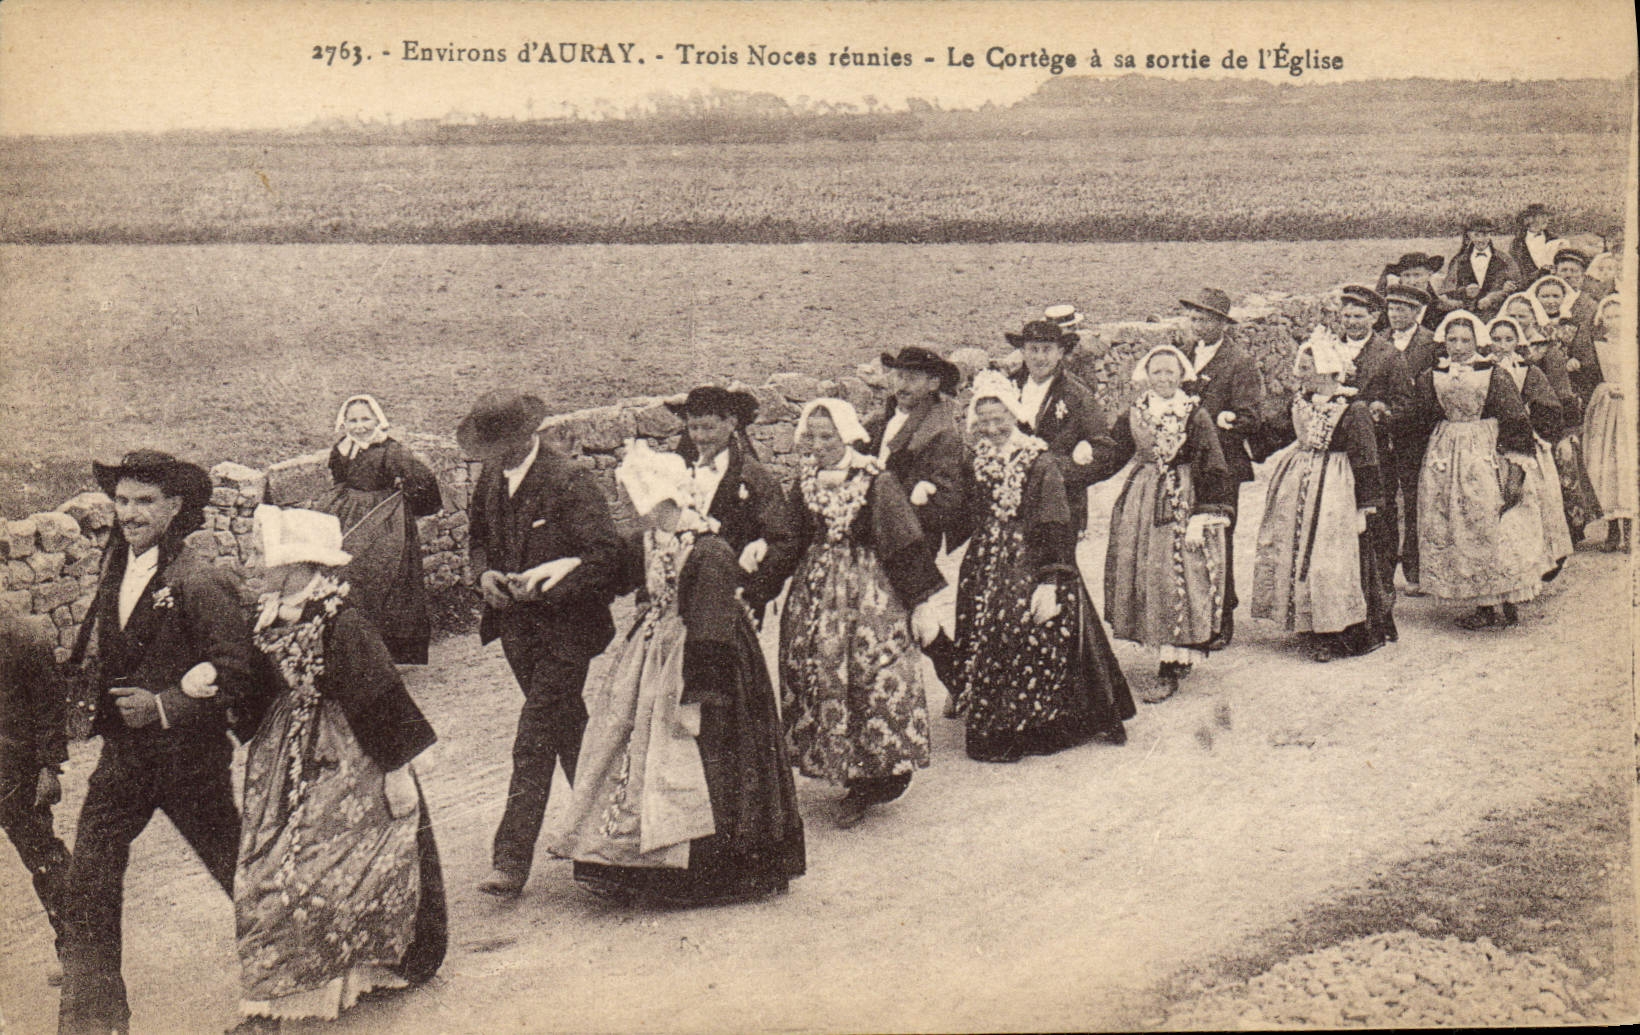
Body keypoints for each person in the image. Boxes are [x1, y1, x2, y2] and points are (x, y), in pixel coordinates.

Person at [58, 451, 267, 1035]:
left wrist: (166, 704)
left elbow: (238, 669)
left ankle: (293, 981)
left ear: (176, 508)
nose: (129, 514)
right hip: (123, 759)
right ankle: (93, 1020)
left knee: (238, 871)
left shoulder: (200, 577)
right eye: (122, 501)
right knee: (90, 880)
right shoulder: (116, 564)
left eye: (144, 501)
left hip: (188, 760)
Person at [546, 441, 805, 905]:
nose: (623, 505)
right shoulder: (650, 541)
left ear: (655, 497)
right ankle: (636, 859)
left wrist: (698, 695)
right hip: (653, 657)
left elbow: (710, 628)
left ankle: (707, 869)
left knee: (699, 759)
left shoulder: (709, 551)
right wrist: (566, 567)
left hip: (705, 666)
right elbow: (608, 572)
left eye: (629, 496)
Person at [232, 506, 444, 1030]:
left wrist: (398, 769)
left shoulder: (341, 620)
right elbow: (259, 686)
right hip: (287, 752)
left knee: (347, 862)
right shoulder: (270, 613)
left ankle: (356, 965)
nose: (257, 563)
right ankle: (289, 983)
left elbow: (377, 692)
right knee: (273, 863)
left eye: (267, 555)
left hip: (352, 749)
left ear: (297, 563)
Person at [460, 391, 626, 899]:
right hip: (517, 631)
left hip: (569, 630)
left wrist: (549, 583)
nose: (495, 456)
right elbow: (479, 540)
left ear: (527, 436)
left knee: (533, 737)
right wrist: (484, 575)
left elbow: (607, 559)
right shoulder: (491, 478)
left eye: (503, 445)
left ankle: (510, 860)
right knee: (567, 730)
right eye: (488, 447)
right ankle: (610, 843)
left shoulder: (569, 481)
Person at [777, 399, 945, 828]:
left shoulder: (876, 481)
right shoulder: (806, 480)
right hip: (814, 593)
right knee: (819, 673)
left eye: (826, 436)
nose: (817, 445)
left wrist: (921, 601)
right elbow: (789, 538)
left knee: (870, 676)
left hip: (869, 593)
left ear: (847, 435)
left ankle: (876, 775)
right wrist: (759, 584)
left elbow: (904, 541)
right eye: (810, 437)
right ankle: (839, 764)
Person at [948, 371, 1131, 761]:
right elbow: (962, 509)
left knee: (1024, 627)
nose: (993, 428)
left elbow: (1054, 519)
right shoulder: (974, 458)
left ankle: (1036, 721)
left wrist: (1050, 578)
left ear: (1014, 416)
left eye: (1000, 419)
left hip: (1033, 556)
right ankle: (986, 704)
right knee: (983, 625)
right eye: (984, 421)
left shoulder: (1038, 460)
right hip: (986, 560)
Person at [1088, 346, 1234, 702]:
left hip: (1182, 497)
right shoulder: (1135, 413)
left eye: (1170, 373)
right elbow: (1114, 453)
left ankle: (1173, 662)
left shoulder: (1194, 414)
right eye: (1157, 373)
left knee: (1176, 576)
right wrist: (1077, 470)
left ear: (1181, 375)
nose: (1164, 379)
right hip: (1141, 497)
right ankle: (1164, 648)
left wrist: (1205, 513)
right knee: (1148, 575)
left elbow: (1213, 462)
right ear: (1147, 376)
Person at [1250, 328, 1394, 662]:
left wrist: (1366, 507)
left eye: (1304, 368)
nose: (1298, 373)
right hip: (1296, 482)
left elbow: (1366, 458)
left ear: (1326, 369)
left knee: (1329, 559)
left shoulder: (1353, 409)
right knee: (1296, 549)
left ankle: (1336, 631)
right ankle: (1308, 621)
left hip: (1335, 489)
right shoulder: (1299, 403)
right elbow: (1274, 434)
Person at [1407, 313, 1543, 629]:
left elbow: (1515, 418)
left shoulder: (1492, 373)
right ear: (1444, 341)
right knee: (1459, 524)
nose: (1458, 346)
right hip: (1445, 453)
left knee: (1489, 521)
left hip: (1484, 450)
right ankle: (1482, 603)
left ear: (1477, 341)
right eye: (1452, 340)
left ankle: (1503, 597)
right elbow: (1420, 418)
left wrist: (1515, 462)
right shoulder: (1432, 375)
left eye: (1465, 340)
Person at [866, 347, 967, 695]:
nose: (902, 383)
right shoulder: (880, 422)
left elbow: (949, 499)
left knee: (912, 607)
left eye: (912, 377)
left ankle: (957, 679)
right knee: (899, 607)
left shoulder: (941, 432)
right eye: (898, 375)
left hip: (913, 535)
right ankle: (956, 679)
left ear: (933, 382)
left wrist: (912, 499)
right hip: (875, 531)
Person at [320, 395, 443, 665]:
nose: (360, 426)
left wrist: (412, 504)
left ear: (377, 420)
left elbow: (422, 478)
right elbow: (339, 479)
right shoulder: (342, 448)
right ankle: (356, 649)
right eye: (353, 420)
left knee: (385, 577)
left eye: (366, 419)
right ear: (344, 422)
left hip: (385, 521)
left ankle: (388, 651)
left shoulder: (390, 449)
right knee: (346, 576)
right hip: (348, 514)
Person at [667, 385, 800, 626]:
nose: (699, 437)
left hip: (731, 604)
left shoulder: (752, 477)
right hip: (678, 602)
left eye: (708, 427)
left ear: (730, 424)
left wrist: (752, 592)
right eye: (693, 428)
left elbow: (782, 541)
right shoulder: (678, 472)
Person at [1177, 287, 1262, 650]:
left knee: (1219, 537)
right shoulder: (1182, 356)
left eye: (1204, 319)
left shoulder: (1239, 361)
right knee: (1187, 538)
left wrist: (1228, 419)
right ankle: (1193, 616)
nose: (1196, 325)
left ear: (1221, 323)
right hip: (1185, 462)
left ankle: (1222, 618)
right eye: (1193, 318)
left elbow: (1251, 416)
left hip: (1222, 465)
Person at [1, 616, 71, 979]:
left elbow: (50, 706)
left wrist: (49, 767)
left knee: (43, 857)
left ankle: (79, 951)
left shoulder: (23, 636)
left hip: (15, 774)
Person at [1335, 285, 1411, 610]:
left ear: (1374, 317)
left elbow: (1407, 404)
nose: (1351, 322)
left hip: (1378, 452)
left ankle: (1381, 596)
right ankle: (1343, 596)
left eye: (1358, 316)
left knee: (1379, 520)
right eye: (1347, 315)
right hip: (1336, 454)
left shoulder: (1389, 355)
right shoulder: (1328, 349)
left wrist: (1384, 410)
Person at [1506, 291, 1600, 543]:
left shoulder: (1546, 349)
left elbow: (1563, 391)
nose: (1517, 320)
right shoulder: (1501, 343)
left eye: (1522, 315)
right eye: (1511, 315)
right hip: (1514, 423)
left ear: (1533, 317)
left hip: (1547, 421)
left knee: (1556, 477)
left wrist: (1566, 433)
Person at [1004, 319, 1112, 534]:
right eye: (1033, 349)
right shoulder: (1006, 388)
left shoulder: (1076, 395)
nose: (1039, 357)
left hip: (1059, 506)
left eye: (1047, 350)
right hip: (1010, 500)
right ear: (1022, 352)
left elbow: (1104, 451)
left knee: (1055, 565)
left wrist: (1055, 471)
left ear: (1060, 352)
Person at [1485, 316, 1574, 577]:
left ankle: (1542, 559)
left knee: (1535, 498)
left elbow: (1550, 406)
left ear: (1517, 342)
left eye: (1508, 339)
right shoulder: (1481, 369)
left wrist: (1535, 425)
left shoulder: (1528, 370)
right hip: (1490, 440)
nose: (1502, 345)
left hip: (1524, 439)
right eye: (1496, 339)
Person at [1384, 284, 1441, 592]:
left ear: (1418, 312)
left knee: (1416, 500)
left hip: (1417, 435)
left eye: (1403, 309)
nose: (1396, 314)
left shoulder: (1432, 343)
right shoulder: (1379, 342)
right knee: (1382, 503)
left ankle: (1415, 570)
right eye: (1392, 308)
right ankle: (1382, 571)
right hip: (1384, 436)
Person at [1582, 296, 1633, 552]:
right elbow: (1589, 376)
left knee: (1628, 464)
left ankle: (1631, 530)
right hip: (1606, 408)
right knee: (1608, 465)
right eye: (1610, 316)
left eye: (1619, 315)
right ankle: (1612, 531)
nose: (1615, 321)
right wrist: (1605, 389)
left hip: (1630, 409)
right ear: (1602, 319)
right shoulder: (1597, 346)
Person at [1440, 216, 1520, 321]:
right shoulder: (1459, 261)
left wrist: (1494, 297)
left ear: (1491, 234)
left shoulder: (1504, 259)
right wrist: (1464, 292)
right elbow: (1448, 290)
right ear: (1469, 235)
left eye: (1485, 235)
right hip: (1466, 313)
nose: (1480, 240)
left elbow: (1516, 284)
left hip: (1496, 313)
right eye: (1476, 235)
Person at [1376, 252, 1450, 331]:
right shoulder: (1388, 309)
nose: (1412, 282)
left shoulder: (1441, 309)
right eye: (1407, 275)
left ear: (1429, 275)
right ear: (1400, 278)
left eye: (1417, 275)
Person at [1507, 203, 1562, 280]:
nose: (1546, 220)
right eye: (1542, 216)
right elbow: (1514, 271)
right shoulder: (1517, 244)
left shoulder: (1554, 239)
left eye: (1547, 216)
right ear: (1530, 219)